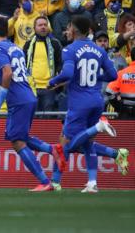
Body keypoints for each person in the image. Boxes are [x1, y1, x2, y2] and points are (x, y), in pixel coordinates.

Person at [48, 16, 122, 193]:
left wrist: (53, 81)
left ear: (73, 29)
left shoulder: (69, 50)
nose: (67, 30)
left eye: (68, 27)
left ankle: (55, 182)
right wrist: (97, 77)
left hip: (80, 103)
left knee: (66, 144)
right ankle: (92, 183)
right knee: (88, 144)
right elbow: (112, 75)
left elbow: (67, 73)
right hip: (96, 100)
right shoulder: (99, 50)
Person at [0, 16, 64, 192]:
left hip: (18, 99)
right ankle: (52, 149)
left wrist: (0, 98)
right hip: (28, 95)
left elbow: (7, 73)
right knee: (18, 136)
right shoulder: (15, 47)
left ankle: (44, 181)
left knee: (17, 142)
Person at [23, 16, 62, 111]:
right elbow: (23, 64)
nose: (43, 27)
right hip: (32, 87)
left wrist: (57, 81)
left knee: (47, 119)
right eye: (40, 25)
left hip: (49, 87)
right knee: (33, 117)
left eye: (45, 25)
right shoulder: (28, 44)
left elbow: (60, 63)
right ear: (34, 28)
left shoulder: (55, 43)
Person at [107, 47, 135, 120]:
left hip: (125, 113)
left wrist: (118, 105)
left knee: (124, 131)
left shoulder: (121, 73)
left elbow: (109, 91)